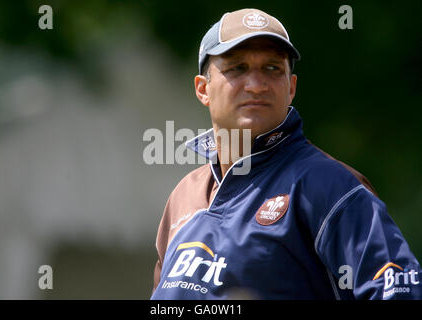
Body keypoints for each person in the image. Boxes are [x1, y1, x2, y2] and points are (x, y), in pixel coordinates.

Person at [150, 8, 421, 299]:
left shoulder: (331, 187)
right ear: (203, 89)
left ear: (291, 88)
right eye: (237, 68)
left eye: (272, 69)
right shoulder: (182, 197)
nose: (256, 85)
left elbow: (399, 292)